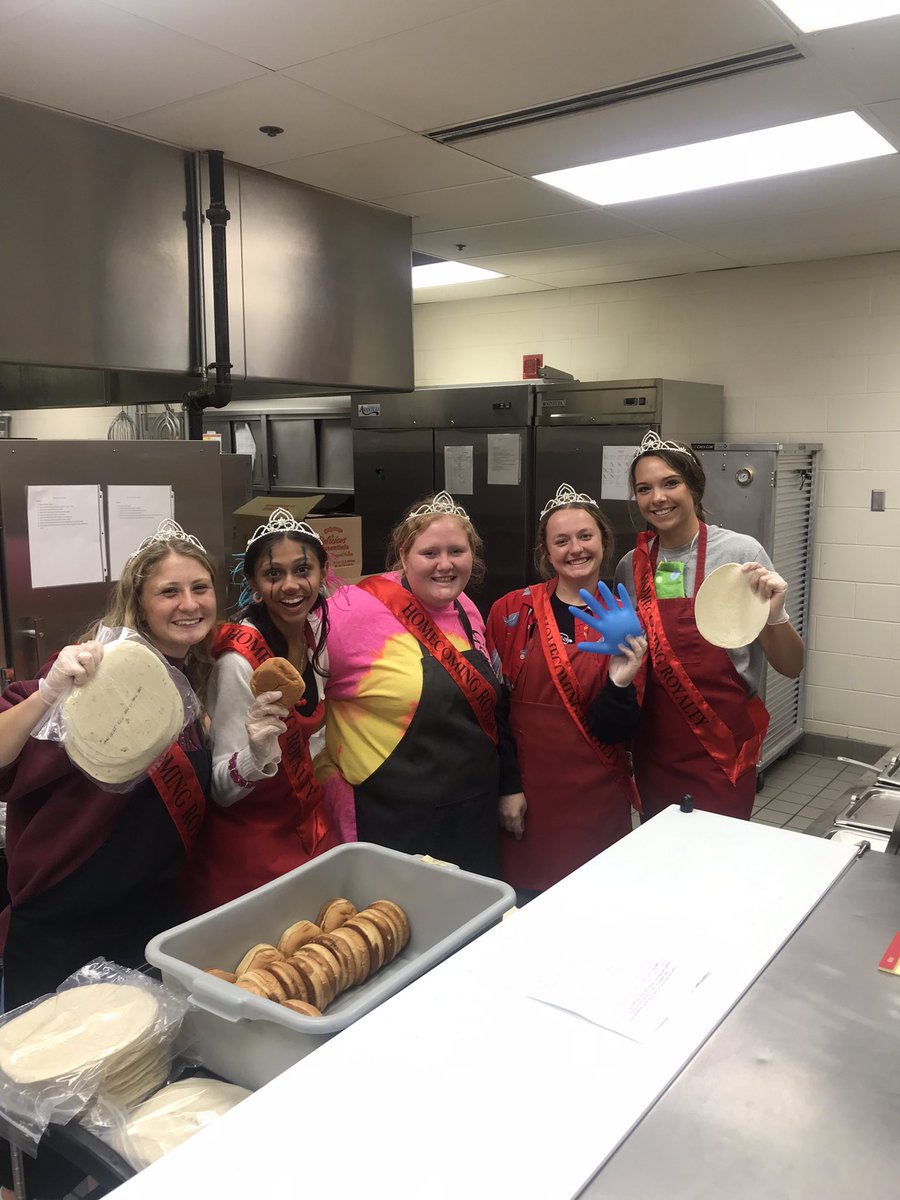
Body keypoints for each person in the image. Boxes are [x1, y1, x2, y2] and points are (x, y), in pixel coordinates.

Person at [0, 519, 217, 1200]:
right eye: (169, 592)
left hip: (148, 914)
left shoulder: (198, 679)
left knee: (131, 1089)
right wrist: (50, 690)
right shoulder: (95, 666)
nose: (188, 603)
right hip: (64, 916)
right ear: (138, 601)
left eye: (201, 588)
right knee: (43, 1105)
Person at [609, 431, 804, 821]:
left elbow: (791, 665)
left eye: (670, 483)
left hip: (722, 745)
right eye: (644, 489)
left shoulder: (739, 555)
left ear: (694, 487)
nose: (657, 498)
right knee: (661, 855)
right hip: (656, 744)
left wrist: (775, 616)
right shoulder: (631, 565)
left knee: (719, 862)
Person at [316, 492, 502, 878]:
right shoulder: (350, 610)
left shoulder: (467, 608)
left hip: (472, 813)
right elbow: (298, 679)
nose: (445, 565)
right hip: (392, 820)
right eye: (430, 553)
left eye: (457, 551)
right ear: (403, 554)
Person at [486, 484, 647, 896]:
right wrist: (508, 786)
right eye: (561, 541)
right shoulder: (510, 612)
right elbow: (493, 711)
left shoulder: (624, 616)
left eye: (585, 536)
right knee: (528, 906)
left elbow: (617, 729)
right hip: (530, 794)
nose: (575, 549)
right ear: (547, 551)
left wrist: (620, 680)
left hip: (598, 793)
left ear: (603, 542)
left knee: (595, 902)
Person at [183, 508, 337, 915]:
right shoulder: (239, 662)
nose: (290, 586)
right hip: (250, 853)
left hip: (304, 830)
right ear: (253, 583)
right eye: (273, 575)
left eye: (303, 569)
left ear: (323, 573)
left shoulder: (315, 633)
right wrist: (256, 754)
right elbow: (221, 790)